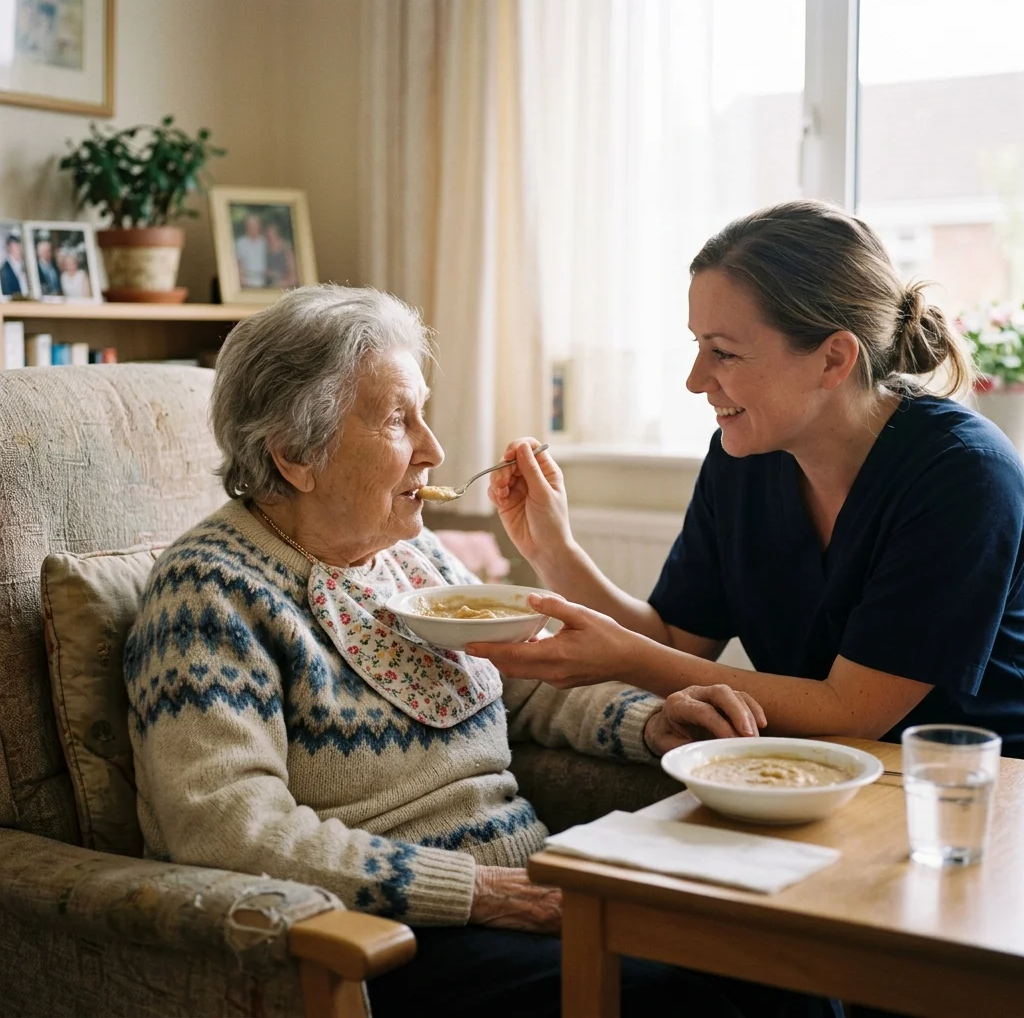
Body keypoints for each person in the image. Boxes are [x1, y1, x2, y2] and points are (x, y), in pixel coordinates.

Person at [124, 285, 837, 1018]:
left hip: (522, 890)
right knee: (680, 1001)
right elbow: (226, 828)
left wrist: (650, 721)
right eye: (400, 420)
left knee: (782, 963)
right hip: (395, 938)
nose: (434, 449)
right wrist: (483, 894)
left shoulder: (411, 555)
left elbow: (521, 677)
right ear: (297, 456)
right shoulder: (208, 596)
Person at [471, 199, 1024, 759]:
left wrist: (625, 658)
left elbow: (855, 713)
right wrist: (553, 550)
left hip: (972, 794)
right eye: (698, 346)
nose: (694, 381)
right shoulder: (744, 458)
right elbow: (672, 642)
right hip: (817, 775)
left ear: (833, 359)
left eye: (724, 353)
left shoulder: (964, 475)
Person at [234, 211, 268, 287]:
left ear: (259, 226)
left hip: (265, 283)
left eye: (254, 224)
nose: (252, 227)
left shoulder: (265, 242)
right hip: (246, 283)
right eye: (249, 225)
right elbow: (238, 263)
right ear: (246, 226)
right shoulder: (240, 243)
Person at [264, 221, 298, 288]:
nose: (270, 235)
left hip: (285, 279)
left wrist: (288, 277)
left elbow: (292, 267)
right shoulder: (265, 247)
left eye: (271, 233)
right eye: (268, 233)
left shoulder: (285, 246)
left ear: (277, 233)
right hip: (269, 280)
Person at [0, 233, 28, 297]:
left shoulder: (26, 266)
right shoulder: (4, 270)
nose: (20, 249)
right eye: (17, 246)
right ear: (9, 247)